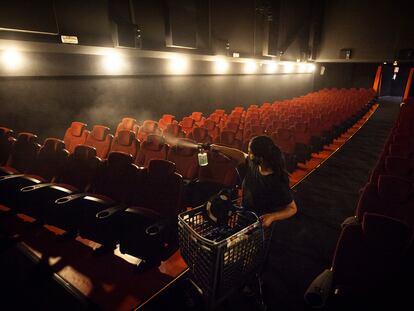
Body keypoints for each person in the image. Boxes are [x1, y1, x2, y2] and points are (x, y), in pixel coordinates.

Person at [210, 135, 297, 227]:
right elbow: (240, 155)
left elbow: (292, 208)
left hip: (260, 224)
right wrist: (217, 148)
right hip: (245, 217)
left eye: (250, 152)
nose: (248, 154)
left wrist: (272, 217)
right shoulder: (254, 165)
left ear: (260, 158)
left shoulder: (277, 182)